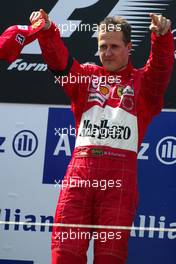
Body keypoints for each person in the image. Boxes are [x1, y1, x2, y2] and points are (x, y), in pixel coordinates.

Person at [30, 9, 174, 264]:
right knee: (64, 254)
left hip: (119, 183)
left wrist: (162, 39)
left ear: (129, 48)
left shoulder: (144, 85)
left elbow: (161, 69)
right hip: (79, 178)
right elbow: (59, 62)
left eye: (114, 46)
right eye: (103, 46)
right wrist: (48, 32)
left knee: (110, 257)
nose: (107, 52)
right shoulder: (85, 77)